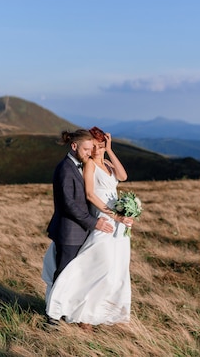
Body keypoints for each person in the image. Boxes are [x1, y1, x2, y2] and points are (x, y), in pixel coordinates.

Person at [43, 126, 134, 329]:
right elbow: (84, 197)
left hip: (105, 223)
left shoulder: (101, 163)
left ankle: (89, 313)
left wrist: (109, 149)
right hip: (92, 222)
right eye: (92, 147)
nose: (94, 151)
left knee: (109, 270)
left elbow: (123, 176)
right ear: (77, 146)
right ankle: (57, 316)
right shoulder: (79, 166)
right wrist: (112, 217)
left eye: (98, 147)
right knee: (78, 271)